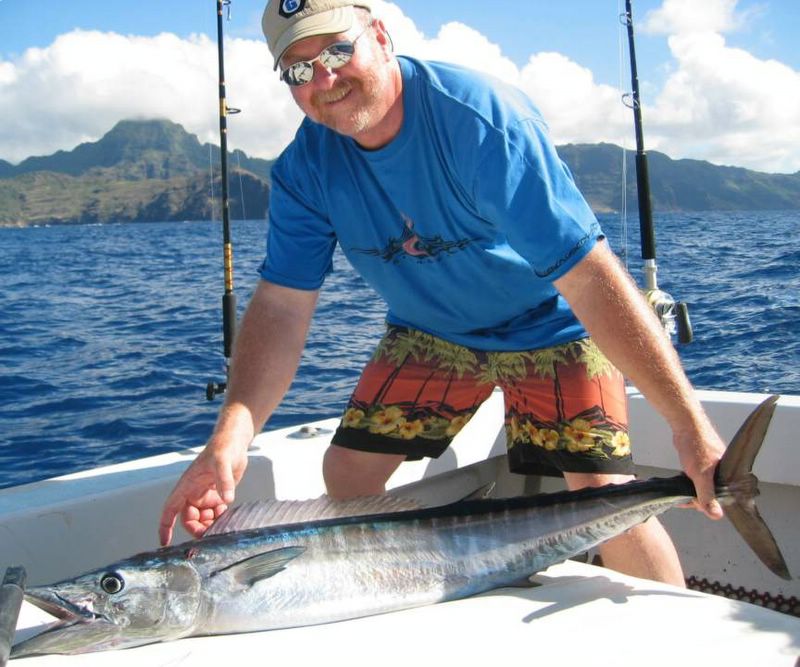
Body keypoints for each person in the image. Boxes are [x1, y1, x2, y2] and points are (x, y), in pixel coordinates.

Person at [159, 0, 727, 586]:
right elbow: (280, 304)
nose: (324, 79)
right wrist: (231, 436)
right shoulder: (304, 168)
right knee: (348, 474)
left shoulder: (480, 122)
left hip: (551, 324)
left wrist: (687, 422)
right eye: (299, 70)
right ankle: (420, 590)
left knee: (605, 498)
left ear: (380, 35)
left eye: (336, 50)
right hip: (433, 333)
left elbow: (587, 274)